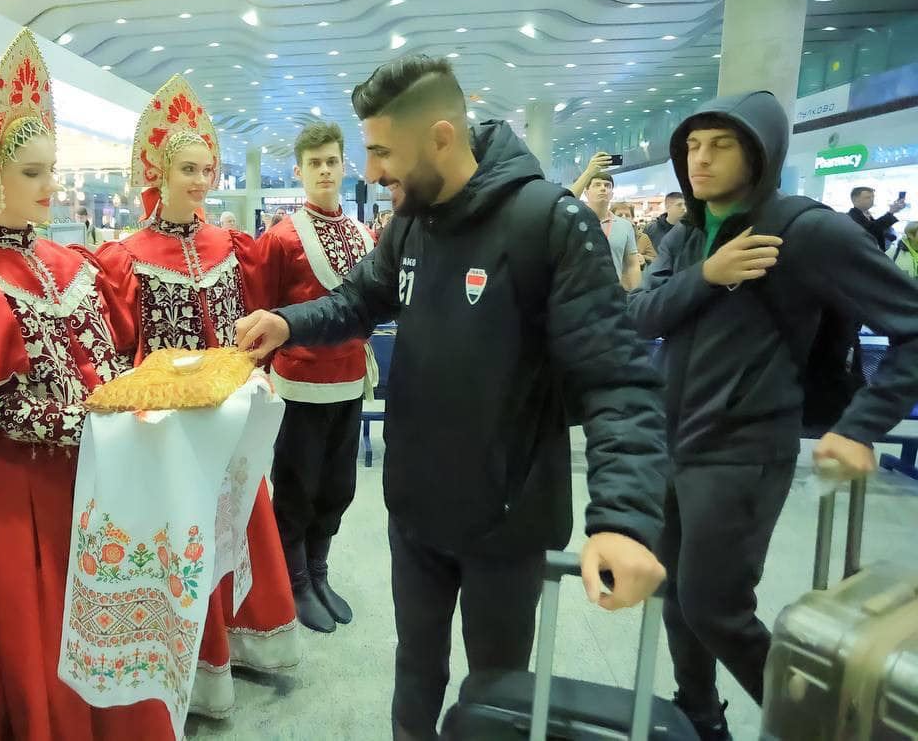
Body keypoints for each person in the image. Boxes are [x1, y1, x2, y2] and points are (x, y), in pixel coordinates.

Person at [236, 54, 668, 740]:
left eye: (382, 152)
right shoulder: (413, 222)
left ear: (441, 136)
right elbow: (360, 299)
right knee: (415, 674)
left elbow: (617, 378)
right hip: (416, 512)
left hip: (508, 522)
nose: (370, 172)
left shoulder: (548, 223)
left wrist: (624, 519)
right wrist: (288, 323)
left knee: (496, 696)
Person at [0, 31, 171, 740]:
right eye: (32, 172)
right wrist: (108, 416)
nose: (50, 185)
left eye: (51, 169)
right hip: (10, 494)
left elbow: (108, 362)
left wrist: (141, 394)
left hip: (94, 479)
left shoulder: (74, 263)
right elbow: (2, 409)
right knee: (35, 643)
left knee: (104, 629)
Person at [628, 91, 918, 741]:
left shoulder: (805, 231)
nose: (700, 159)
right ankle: (700, 715)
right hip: (673, 441)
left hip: (744, 448)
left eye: (720, 145)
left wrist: (860, 425)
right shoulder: (685, 233)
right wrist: (710, 274)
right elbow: (640, 315)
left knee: (715, 606)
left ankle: (813, 727)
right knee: (679, 596)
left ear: (760, 154)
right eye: (692, 146)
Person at [94, 75, 299, 718]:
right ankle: (194, 659)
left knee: (240, 516)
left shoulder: (230, 248)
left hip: (229, 416)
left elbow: (252, 327)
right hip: (172, 427)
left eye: (207, 169)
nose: (201, 182)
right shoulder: (126, 256)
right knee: (186, 531)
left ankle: (242, 640)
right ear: (158, 172)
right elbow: (119, 349)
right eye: (188, 169)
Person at [256, 120, 375, 634]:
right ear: (298, 171)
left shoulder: (363, 234)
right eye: (314, 163)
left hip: (350, 380)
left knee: (337, 485)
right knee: (297, 487)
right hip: (299, 385)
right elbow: (263, 310)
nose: (324, 171)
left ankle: (319, 572)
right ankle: (296, 581)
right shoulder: (282, 238)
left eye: (331, 161)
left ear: (344, 165)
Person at [571, 163, 640, 290]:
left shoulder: (625, 226)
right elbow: (567, 199)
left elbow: (632, 265)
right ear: (586, 193)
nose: (603, 188)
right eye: (597, 185)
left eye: (607, 186)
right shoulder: (575, 221)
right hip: (579, 293)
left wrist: (636, 295)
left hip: (612, 294)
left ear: (612, 194)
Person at [847, 185, 904, 251]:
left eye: (873, 197)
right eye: (867, 197)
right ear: (855, 200)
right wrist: (891, 212)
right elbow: (871, 230)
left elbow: (875, 227)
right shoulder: (852, 216)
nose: (872, 200)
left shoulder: (866, 214)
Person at [614, 202, 658, 268]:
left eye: (627, 215)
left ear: (632, 218)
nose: (624, 217)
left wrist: (644, 259)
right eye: (619, 215)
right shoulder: (605, 236)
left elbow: (655, 260)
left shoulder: (643, 238)